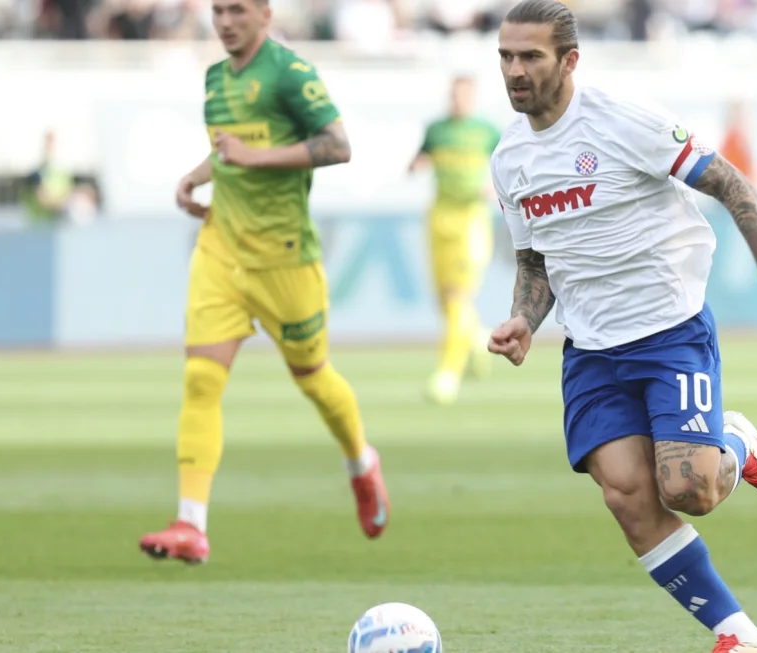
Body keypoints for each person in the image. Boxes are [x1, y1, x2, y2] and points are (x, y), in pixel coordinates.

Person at [485, 2, 757, 652]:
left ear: (568, 60)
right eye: (506, 57)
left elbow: (732, 185)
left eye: (529, 56)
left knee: (689, 490)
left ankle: (736, 444)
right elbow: (534, 259)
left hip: (667, 332)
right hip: (591, 350)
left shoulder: (623, 119)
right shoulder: (509, 158)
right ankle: (740, 637)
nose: (515, 70)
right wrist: (522, 317)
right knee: (627, 496)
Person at [138, 0, 391, 565]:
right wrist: (197, 175)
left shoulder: (290, 73)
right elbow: (228, 150)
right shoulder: (214, 78)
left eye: (238, 10)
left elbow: (337, 145)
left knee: (313, 379)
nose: (226, 21)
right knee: (202, 381)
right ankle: (191, 524)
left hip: (284, 260)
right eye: (218, 10)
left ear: (265, 14)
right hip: (221, 250)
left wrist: (256, 156)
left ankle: (360, 462)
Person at [407, 74, 503, 405]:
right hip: (439, 220)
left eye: (463, 95)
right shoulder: (437, 131)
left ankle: (448, 374)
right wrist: (416, 165)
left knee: (458, 297)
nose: (457, 101)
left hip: (471, 222)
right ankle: (477, 339)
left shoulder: (487, 131)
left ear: (473, 98)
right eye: (453, 95)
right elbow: (418, 159)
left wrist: (496, 188)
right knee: (445, 302)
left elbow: (511, 163)